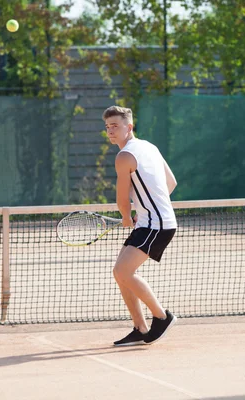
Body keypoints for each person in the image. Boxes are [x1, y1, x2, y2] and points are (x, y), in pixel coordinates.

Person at [102, 105, 178, 346]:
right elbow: (172, 183)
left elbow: (122, 199)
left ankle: (162, 317)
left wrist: (127, 216)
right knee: (120, 273)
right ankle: (141, 328)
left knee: (123, 272)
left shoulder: (124, 156)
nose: (111, 131)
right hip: (153, 221)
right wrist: (145, 210)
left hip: (155, 225)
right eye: (107, 127)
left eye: (115, 126)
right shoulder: (150, 147)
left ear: (129, 127)